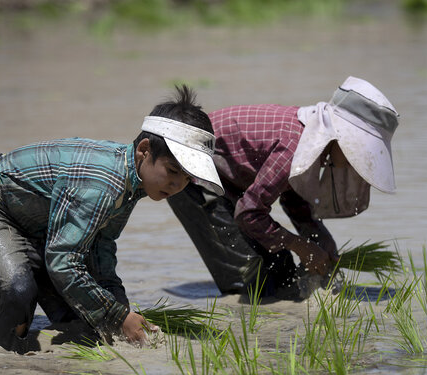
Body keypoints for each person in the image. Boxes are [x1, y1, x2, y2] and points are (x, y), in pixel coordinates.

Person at [0, 86, 223, 353]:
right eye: (173, 170)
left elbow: (102, 250)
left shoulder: (133, 184)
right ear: (144, 150)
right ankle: (0, 362)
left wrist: (121, 310)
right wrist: (118, 316)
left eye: (187, 178)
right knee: (21, 290)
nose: (178, 184)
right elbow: (62, 261)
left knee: (81, 323)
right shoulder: (101, 184)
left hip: (40, 231)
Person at [167, 76, 399, 300]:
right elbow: (249, 213)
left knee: (283, 270)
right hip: (190, 175)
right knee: (252, 277)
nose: (355, 163)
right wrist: (301, 246)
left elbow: (293, 200)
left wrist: (319, 239)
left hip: (229, 184)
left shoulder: (312, 141)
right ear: (339, 137)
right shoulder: (295, 145)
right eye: (357, 151)